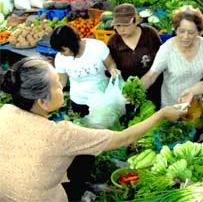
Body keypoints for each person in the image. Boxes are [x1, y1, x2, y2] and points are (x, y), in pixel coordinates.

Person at [0, 57, 185, 201]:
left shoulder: (6, 111)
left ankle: (76, 187)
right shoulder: (61, 134)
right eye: (57, 84)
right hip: (39, 198)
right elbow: (123, 138)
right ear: (42, 101)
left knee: (82, 156)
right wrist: (161, 114)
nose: (61, 86)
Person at [49, 24, 118, 200]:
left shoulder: (97, 47)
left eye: (63, 50)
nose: (62, 53)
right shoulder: (61, 59)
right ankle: (86, 175)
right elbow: (62, 82)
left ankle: (98, 169)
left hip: (102, 104)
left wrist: (113, 71)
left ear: (71, 44)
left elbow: (110, 64)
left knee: (101, 139)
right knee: (84, 144)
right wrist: (51, 98)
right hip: (78, 103)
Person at [141, 6, 203, 108]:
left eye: (191, 32)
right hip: (172, 107)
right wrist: (137, 89)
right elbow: (151, 76)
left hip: (197, 107)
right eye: (181, 31)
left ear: (199, 31)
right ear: (176, 30)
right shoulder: (167, 49)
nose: (185, 36)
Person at [108, 3, 163, 109]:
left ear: (136, 21)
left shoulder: (150, 34)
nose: (121, 30)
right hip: (130, 94)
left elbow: (161, 58)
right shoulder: (114, 42)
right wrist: (113, 70)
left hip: (155, 88)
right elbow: (111, 65)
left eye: (126, 25)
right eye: (118, 26)